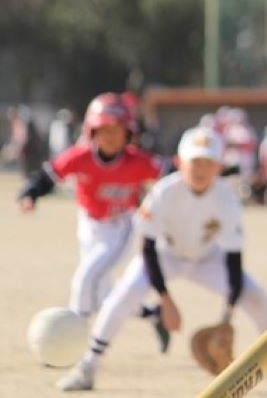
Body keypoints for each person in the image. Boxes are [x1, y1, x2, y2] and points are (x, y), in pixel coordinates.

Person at [57, 126, 267, 392]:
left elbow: (234, 261)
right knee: (122, 296)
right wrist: (166, 301)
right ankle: (87, 367)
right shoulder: (164, 193)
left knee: (257, 298)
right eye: (194, 161)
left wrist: (227, 317)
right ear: (179, 163)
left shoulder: (226, 200)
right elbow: (149, 250)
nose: (200, 169)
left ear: (219, 167)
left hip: (207, 258)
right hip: (165, 256)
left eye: (208, 162)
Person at [17, 93, 170, 347]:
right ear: (92, 131)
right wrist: (30, 194)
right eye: (104, 129)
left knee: (86, 278)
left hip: (120, 226)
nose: (110, 136)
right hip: (88, 225)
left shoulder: (138, 161)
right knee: (103, 294)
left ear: (128, 133)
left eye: (117, 130)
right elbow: (47, 175)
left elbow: (172, 172)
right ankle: (152, 314)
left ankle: (72, 342)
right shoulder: (80, 156)